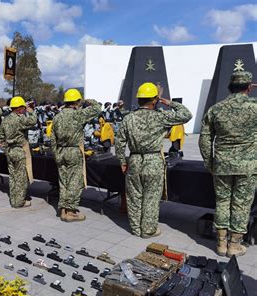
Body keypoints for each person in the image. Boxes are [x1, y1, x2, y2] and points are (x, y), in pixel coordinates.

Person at [115, 82, 192, 238]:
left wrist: (122, 161)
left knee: (134, 196)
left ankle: (136, 229)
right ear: (154, 100)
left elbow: (119, 142)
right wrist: (168, 102)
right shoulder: (161, 117)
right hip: (153, 160)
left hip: (135, 160)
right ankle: (148, 230)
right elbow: (186, 115)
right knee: (151, 197)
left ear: (139, 100)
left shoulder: (128, 118)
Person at [199, 71, 256, 257]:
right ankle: (234, 245)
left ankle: (221, 244)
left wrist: (209, 162)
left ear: (230, 87)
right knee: (241, 204)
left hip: (222, 165)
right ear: (249, 87)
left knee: (222, 202)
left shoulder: (216, 109)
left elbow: (205, 139)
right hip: (248, 166)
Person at [50, 88, 102, 222]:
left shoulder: (57, 116)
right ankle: (70, 211)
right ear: (76, 102)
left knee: (63, 181)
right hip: (73, 150)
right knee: (74, 181)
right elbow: (97, 108)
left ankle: (62, 210)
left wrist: (56, 154)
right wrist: (87, 100)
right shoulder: (78, 115)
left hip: (61, 151)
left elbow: (52, 138)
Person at [0, 96, 37, 208]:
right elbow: (33, 121)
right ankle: (19, 202)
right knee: (21, 178)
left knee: (13, 176)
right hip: (19, 150)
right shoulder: (20, 119)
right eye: (23, 108)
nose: (24, 110)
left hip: (10, 151)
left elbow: (1, 137)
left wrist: (6, 149)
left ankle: (14, 199)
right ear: (19, 109)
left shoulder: (5, 120)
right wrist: (31, 111)